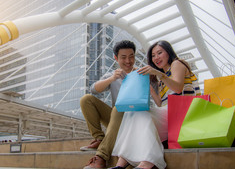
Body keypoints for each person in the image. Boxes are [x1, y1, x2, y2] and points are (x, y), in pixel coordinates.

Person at [110, 40, 199, 169]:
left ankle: (148, 162)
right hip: (170, 114)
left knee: (138, 113)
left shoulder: (176, 64)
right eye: (153, 55)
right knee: (133, 111)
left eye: (159, 53)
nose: (156, 58)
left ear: (168, 52)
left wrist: (159, 74)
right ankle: (121, 163)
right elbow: (160, 103)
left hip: (184, 113)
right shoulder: (162, 77)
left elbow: (178, 88)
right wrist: (148, 87)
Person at [80, 40, 137, 169]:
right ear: (116, 58)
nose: (128, 61)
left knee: (118, 107)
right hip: (116, 119)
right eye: (123, 57)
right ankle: (100, 138)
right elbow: (93, 89)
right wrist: (112, 79)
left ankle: (101, 157)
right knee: (86, 99)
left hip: (135, 120)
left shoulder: (142, 74)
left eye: (131, 56)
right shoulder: (113, 75)